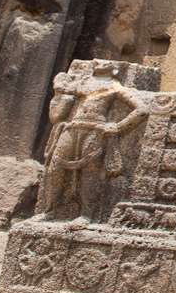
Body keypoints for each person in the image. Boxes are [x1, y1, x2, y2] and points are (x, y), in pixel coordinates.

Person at [36, 60, 147, 224]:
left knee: (90, 171)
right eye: (99, 61)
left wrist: (118, 126)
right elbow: (61, 91)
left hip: (95, 129)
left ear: (115, 70)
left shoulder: (115, 87)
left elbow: (142, 109)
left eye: (106, 63)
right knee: (55, 166)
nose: (99, 63)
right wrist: (60, 84)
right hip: (72, 127)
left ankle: (86, 215)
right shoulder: (83, 83)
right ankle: (49, 210)